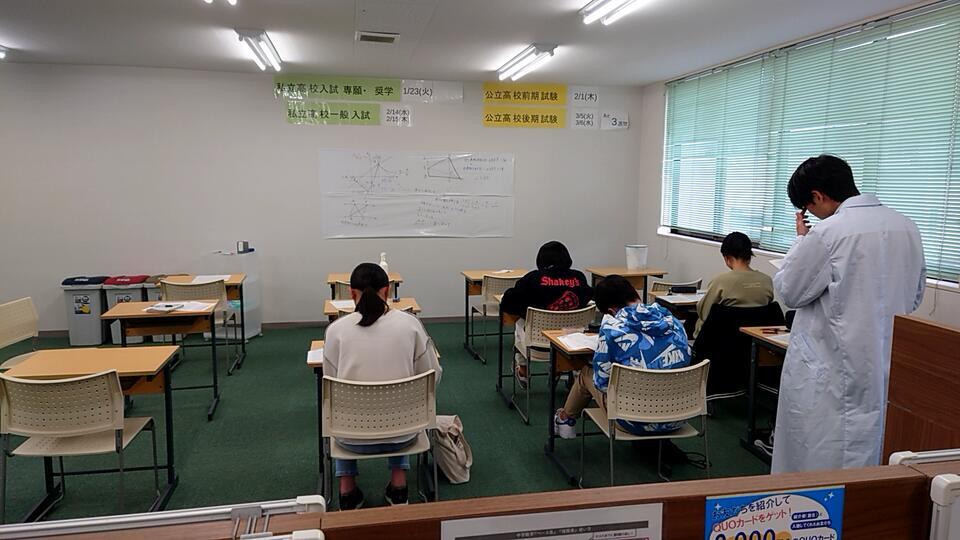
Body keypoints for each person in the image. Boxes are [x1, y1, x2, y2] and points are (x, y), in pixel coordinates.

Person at [771, 154, 925, 474]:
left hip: (831, 368)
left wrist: (801, 241)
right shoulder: (906, 226)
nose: (811, 215)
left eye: (808, 207)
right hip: (886, 363)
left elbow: (791, 291)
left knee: (821, 460)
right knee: (875, 451)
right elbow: (915, 295)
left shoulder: (829, 233)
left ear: (817, 196)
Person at [323, 263, 442, 509]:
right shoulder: (410, 325)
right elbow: (433, 376)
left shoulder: (335, 331)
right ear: (387, 291)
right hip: (404, 433)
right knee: (403, 403)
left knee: (338, 406)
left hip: (351, 436)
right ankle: (399, 486)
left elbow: (330, 387)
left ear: (351, 294)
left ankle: (347, 490)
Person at [553, 275, 691, 438]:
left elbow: (602, 383)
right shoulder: (672, 320)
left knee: (586, 373)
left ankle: (565, 419)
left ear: (611, 311)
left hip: (633, 420)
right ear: (635, 294)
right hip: (679, 413)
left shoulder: (612, 330)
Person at [500, 241, 593, 385]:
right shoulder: (579, 277)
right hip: (571, 343)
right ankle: (559, 368)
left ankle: (523, 370)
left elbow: (508, 303)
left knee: (520, 323)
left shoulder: (533, 278)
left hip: (537, 345)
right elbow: (588, 297)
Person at [694, 232, 774, 337]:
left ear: (727, 258)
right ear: (750, 256)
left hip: (721, 340)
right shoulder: (766, 281)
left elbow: (704, 312)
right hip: (755, 341)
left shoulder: (720, 282)